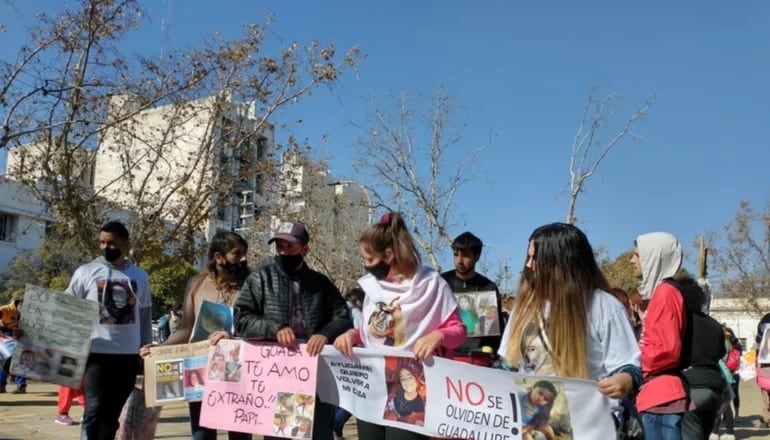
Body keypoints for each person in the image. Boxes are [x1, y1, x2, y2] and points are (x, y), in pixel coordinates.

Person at [334, 212, 467, 440]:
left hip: (412, 385)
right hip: (373, 385)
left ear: (388, 255)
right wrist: (352, 335)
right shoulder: (373, 288)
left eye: (369, 259)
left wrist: (439, 335)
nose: (366, 266)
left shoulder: (431, 284)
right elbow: (373, 332)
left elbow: (459, 330)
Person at [499, 223, 640, 437]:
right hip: (531, 425)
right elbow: (507, 365)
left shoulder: (604, 306)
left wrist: (626, 379)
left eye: (534, 258)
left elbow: (630, 364)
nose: (529, 265)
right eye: (527, 257)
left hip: (589, 426)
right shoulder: (523, 308)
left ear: (558, 263)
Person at [234, 221, 351, 440]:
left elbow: (343, 316)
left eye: (290, 246)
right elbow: (241, 320)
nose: (283, 251)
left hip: (315, 375)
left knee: (318, 433)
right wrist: (274, 328)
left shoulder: (321, 283)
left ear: (305, 249)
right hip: (277, 374)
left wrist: (325, 333)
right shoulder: (259, 279)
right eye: (279, 246)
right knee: (282, 433)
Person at [141, 230, 251, 440]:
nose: (243, 258)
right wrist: (160, 348)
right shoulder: (196, 284)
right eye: (237, 254)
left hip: (238, 373)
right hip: (201, 374)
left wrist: (233, 337)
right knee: (201, 436)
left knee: (239, 436)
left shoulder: (251, 285)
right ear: (219, 257)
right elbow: (185, 329)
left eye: (244, 253)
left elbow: (256, 327)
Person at [631, 232, 726, 440]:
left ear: (654, 256)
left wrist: (633, 362)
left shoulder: (665, 292)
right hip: (659, 395)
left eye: (637, 255)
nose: (632, 260)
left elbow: (666, 350)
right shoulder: (665, 292)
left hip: (661, 398)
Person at [65, 220, 152, 440]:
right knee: (93, 409)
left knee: (112, 414)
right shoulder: (86, 272)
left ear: (125, 244)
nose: (106, 247)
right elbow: (65, 307)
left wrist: (146, 348)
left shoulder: (140, 276)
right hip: (95, 354)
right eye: (102, 242)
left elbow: (144, 314)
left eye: (111, 243)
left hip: (127, 357)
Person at [441, 232, 503, 352]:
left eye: (465, 256)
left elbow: (495, 335)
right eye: (456, 255)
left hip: (478, 358)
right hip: (445, 357)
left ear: (477, 256)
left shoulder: (489, 288)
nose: (459, 261)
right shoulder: (441, 283)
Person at [333, 286, 364, 440]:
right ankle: (335, 427)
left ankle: (335, 428)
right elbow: (360, 329)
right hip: (357, 361)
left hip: (342, 360)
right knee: (354, 399)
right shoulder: (356, 311)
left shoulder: (340, 309)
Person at [0, 297, 26, 393]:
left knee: (21, 360)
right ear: (18, 305)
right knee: (4, 360)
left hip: (20, 338)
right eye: (23, 308)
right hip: (4, 337)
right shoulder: (5, 309)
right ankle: (1, 385)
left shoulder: (28, 314)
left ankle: (21, 385)